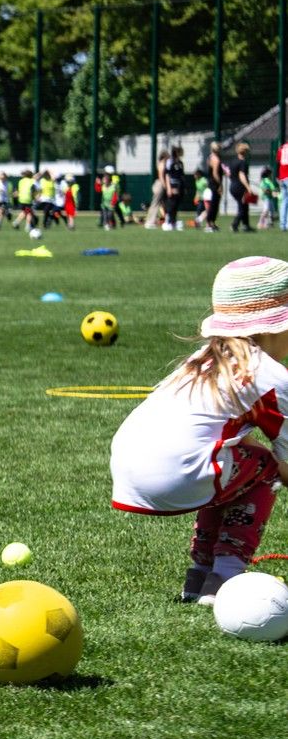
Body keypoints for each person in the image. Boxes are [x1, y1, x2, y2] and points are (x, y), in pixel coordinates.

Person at [111, 256, 288, 605]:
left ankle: (200, 575)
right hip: (174, 473)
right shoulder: (267, 376)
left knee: (237, 469)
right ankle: (227, 574)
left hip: (129, 467)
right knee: (266, 470)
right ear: (272, 328)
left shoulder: (203, 359)